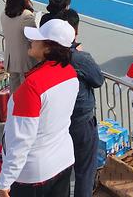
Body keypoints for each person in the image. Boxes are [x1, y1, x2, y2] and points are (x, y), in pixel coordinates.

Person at [0, 19, 79, 196]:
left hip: (34, 173)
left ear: (48, 48)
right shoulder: (70, 73)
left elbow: (22, 140)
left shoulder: (33, 86)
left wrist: (5, 181)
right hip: (63, 160)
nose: (31, 41)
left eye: (37, 39)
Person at [57, 10, 104, 197]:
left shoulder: (48, 54)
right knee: (84, 170)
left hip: (58, 119)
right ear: (75, 31)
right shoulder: (79, 58)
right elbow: (98, 79)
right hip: (80, 120)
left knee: (62, 169)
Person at [0, 0, 37, 92]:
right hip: (25, 60)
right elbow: (33, 37)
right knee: (26, 91)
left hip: (11, 58)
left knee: (14, 90)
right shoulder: (26, 15)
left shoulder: (4, 13)